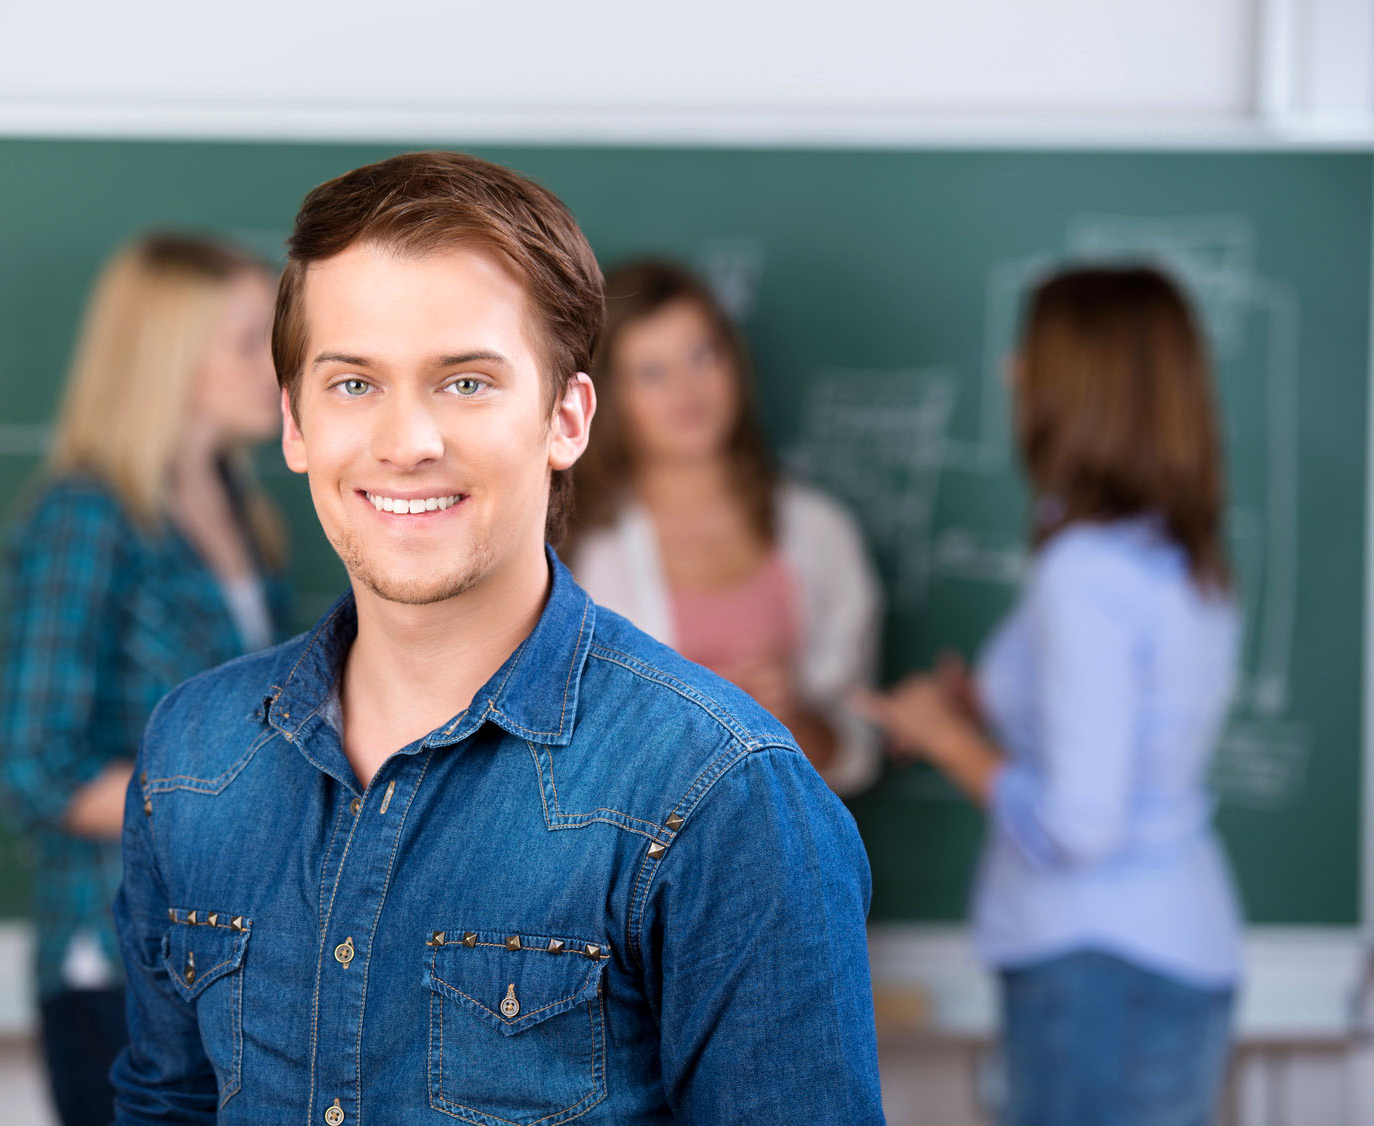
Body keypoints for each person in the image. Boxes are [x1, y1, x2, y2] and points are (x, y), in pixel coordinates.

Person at [110, 151, 883, 1124]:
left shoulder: (724, 794)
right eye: (353, 384)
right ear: (294, 421)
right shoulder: (193, 754)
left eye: (465, 383)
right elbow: (165, 1103)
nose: (407, 441)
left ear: (566, 418)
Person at [854, 265, 1242, 1125]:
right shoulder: (1173, 554)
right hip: (1163, 950)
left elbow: (1079, 823)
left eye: (1031, 354)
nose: (1010, 373)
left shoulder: (1085, 572)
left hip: (1099, 968)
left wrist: (947, 739)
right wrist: (982, 704)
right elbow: (1128, 724)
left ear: (1081, 386)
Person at [0, 232, 289, 1126]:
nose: (281, 367)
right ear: (172, 360)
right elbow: (32, 767)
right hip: (117, 964)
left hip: (232, 955)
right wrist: (224, 809)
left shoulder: (242, 510)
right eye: (248, 343)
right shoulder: (88, 516)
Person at [567, 259, 883, 795]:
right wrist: (707, 720)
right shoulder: (579, 549)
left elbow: (858, 751)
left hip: (785, 866)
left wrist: (796, 719)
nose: (686, 390)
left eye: (702, 355)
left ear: (733, 360)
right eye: (651, 372)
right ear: (611, 398)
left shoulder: (819, 530)